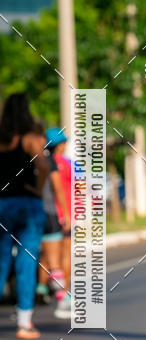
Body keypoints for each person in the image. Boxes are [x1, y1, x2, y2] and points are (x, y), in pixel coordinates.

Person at [0, 93, 48, 338]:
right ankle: (24, 323)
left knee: (1, 260)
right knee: (26, 262)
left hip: (2, 205)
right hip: (28, 205)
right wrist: (37, 191)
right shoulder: (31, 138)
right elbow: (43, 167)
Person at [47, 127, 72, 319]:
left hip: (44, 214)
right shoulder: (64, 164)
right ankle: (64, 297)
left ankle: (42, 289)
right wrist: (66, 214)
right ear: (60, 144)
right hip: (61, 215)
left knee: (46, 256)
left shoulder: (38, 162)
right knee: (64, 255)